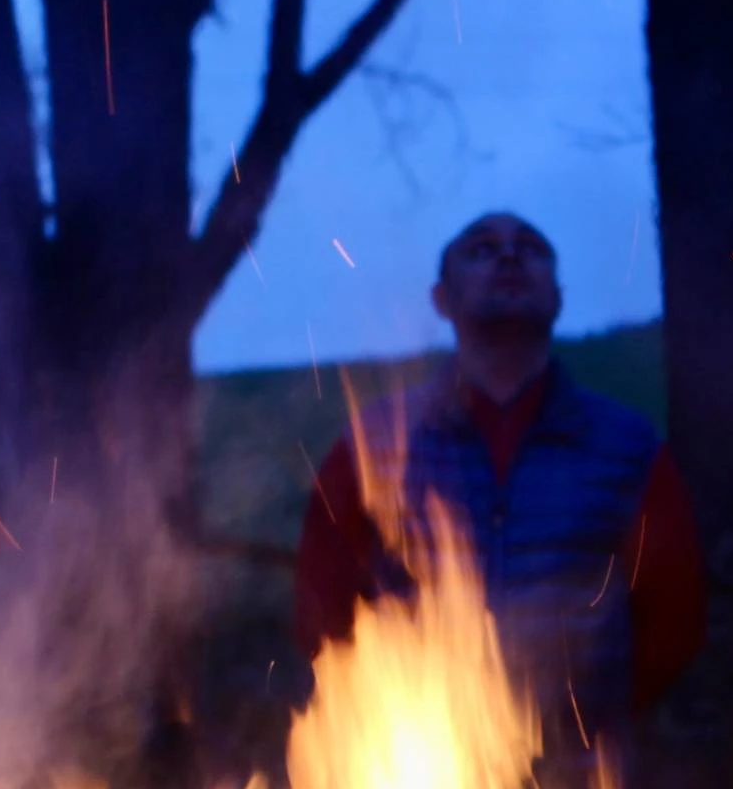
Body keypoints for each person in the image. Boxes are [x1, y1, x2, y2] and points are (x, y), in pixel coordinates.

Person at [294, 212, 701, 726]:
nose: (510, 256)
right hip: (425, 775)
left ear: (558, 297)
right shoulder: (372, 446)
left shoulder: (628, 448)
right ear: (442, 299)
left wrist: (590, 727)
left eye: (530, 248)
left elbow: (675, 618)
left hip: (587, 785)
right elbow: (320, 605)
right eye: (482, 250)